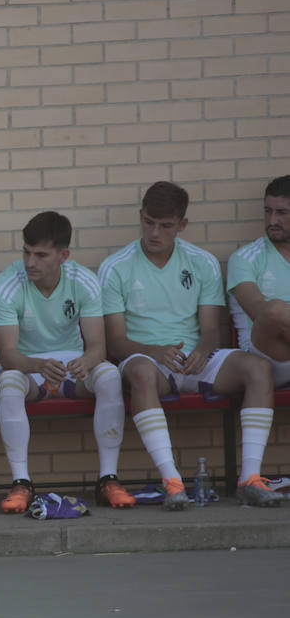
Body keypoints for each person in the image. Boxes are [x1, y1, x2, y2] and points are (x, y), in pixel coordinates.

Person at [98, 180, 283, 509]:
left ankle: (250, 480)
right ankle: (173, 483)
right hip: (148, 360)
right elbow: (116, 342)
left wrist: (201, 350)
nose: (155, 232)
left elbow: (211, 329)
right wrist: (156, 352)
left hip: (196, 358)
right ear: (141, 216)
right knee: (139, 370)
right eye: (149, 222)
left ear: (182, 224)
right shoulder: (115, 266)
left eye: (166, 225)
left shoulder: (203, 261)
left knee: (257, 367)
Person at [0, 211, 134, 513]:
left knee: (108, 374)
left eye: (41, 255)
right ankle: (21, 483)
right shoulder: (7, 282)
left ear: (64, 255)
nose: (30, 262)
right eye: (26, 252)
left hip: (72, 366)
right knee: (7, 382)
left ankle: (108, 479)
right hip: (28, 368)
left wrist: (87, 361)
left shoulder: (84, 280)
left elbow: (98, 346)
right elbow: (6, 354)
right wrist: (37, 365)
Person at [228, 175, 290, 388]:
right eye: (268, 211)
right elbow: (261, 314)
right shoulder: (245, 259)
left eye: (281, 213)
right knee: (275, 310)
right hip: (264, 357)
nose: (272, 221)